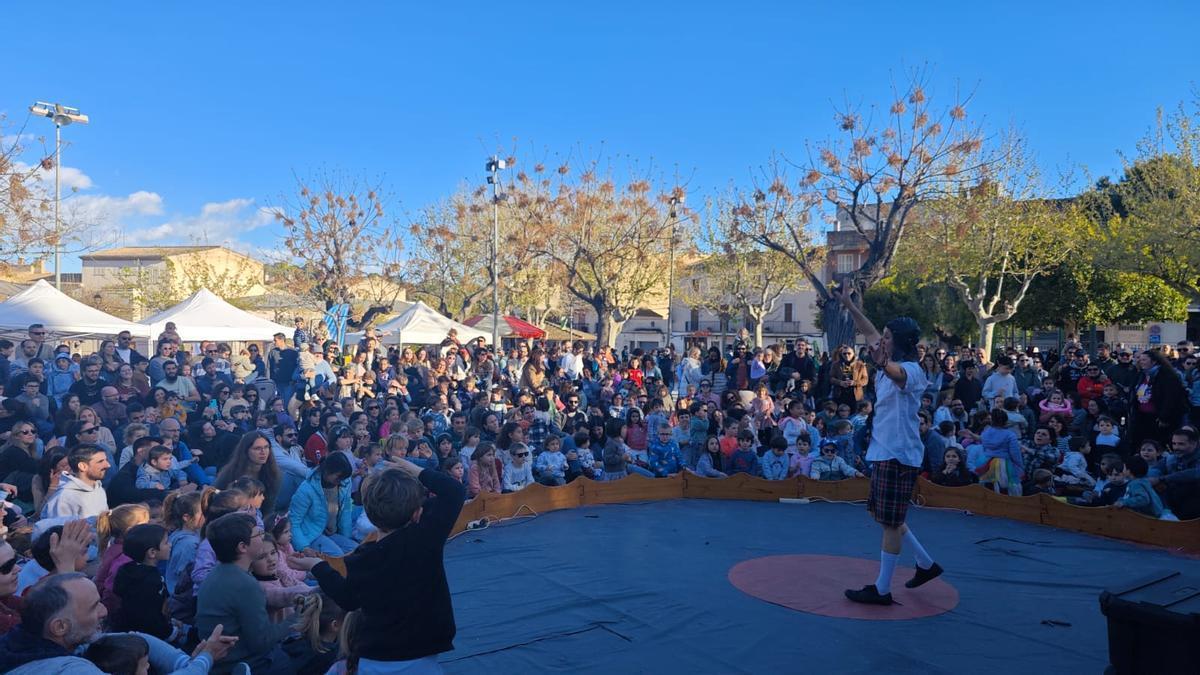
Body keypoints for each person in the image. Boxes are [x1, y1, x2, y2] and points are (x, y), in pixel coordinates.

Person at [292, 458, 466, 672]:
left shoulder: (362, 560)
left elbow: (347, 598)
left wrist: (317, 565)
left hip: (376, 658)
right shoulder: (425, 538)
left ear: (371, 518)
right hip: (423, 652)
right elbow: (455, 492)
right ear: (417, 513)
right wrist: (416, 470)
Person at [836, 290, 942, 606]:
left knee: (891, 522)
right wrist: (850, 306)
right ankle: (925, 563)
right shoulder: (890, 361)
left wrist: (880, 359)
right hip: (886, 451)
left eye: (886, 337)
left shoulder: (911, 371)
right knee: (886, 517)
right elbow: (869, 332)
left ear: (898, 342)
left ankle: (882, 589)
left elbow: (893, 372)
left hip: (898, 454)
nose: (879, 340)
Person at [0, 572, 234, 674]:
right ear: (60, 627)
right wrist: (206, 659)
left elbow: (132, 638)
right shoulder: (66, 670)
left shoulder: (28, 641)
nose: (104, 611)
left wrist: (184, 662)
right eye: (94, 606)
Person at [289, 453, 356, 555]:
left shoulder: (344, 484)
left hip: (331, 533)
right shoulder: (306, 489)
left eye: (343, 478)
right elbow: (293, 521)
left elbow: (346, 512)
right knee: (337, 555)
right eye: (338, 477)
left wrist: (346, 537)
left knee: (355, 550)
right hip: (311, 534)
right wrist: (303, 547)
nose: (340, 481)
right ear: (327, 471)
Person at [41, 444, 110, 519]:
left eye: (106, 460)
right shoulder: (64, 497)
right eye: (100, 461)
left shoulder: (99, 489)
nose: (108, 465)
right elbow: (59, 528)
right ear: (83, 466)